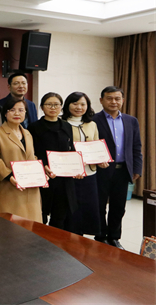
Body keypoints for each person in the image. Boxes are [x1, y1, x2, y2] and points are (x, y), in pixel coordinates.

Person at [93, 86, 143, 249]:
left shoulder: (131, 120)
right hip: (101, 170)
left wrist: (137, 168)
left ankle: (114, 237)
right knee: (99, 205)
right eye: (109, 98)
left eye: (117, 98)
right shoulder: (93, 120)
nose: (113, 102)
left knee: (119, 206)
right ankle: (100, 236)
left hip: (123, 170)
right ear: (101, 100)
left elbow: (136, 146)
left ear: (122, 100)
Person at [0, 97, 43, 222]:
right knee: (11, 227)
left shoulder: (28, 134)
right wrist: (9, 176)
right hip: (9, 188)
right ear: (5, 113)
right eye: (12, 110)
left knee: (32, 227)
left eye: (21, 110)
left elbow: (32, 157)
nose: (17, 113)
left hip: (31, 189)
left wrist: (41, 172)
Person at [27, 93, 74, 228]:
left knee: (60, 214)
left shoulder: (67, 126)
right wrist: (43, 165)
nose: (53, 108)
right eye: (49, 104)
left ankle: (55, 240)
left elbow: (70, 149)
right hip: (43, 176)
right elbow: (31, 152)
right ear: (42, 107)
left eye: (56, 105)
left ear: (61, 107)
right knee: (41, 214)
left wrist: (75, 167)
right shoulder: (34, 127)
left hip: (64, 178)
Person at [62, 92, 105, 236]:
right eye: (75, 103)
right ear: (68, 105)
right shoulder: (62, 123)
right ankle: (70, 237)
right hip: (70, 173)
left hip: (89, 172)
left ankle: (83, 238)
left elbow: (96, 146)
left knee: (88, 207)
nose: (79, 107)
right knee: (72, 209)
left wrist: (100, 160)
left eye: (83, 104)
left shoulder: (92, 124)